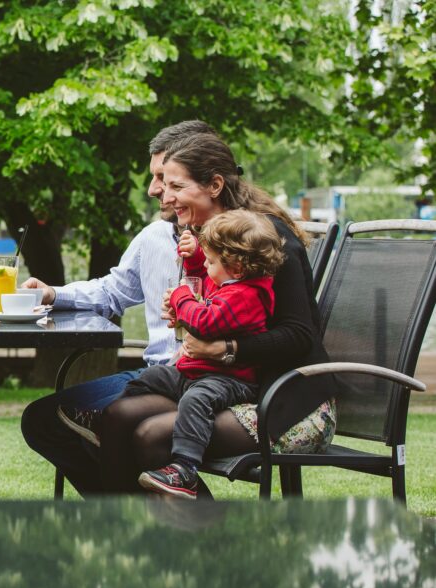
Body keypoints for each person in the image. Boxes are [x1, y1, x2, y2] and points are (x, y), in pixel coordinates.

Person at [98, 132, 337, 494]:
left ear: (214, 186)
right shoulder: (212, 244)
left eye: (176, 185)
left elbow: (299, 335)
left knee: (151, 435)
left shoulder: (264, 242)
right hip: (229, 386)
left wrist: (226, 349)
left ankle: (206, 528)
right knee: (117, 416)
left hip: (289, 403)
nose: (164, 195)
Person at [19, 120, 217, 496]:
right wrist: (53, 294)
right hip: (155, 374)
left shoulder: (230, 243)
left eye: (165, 178)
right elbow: (112, 292)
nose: (154, 189)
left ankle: (179, 518)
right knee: (42, 420)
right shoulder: (153, 237)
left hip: (198, 380)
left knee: (102, 424)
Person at [123, 210, 285, 499]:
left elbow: (204, 322)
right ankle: (114, 419)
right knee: (151, 377)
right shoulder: (230, 283)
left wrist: (180, 296)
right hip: (199, 372)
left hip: (229, 379)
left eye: (211, 261)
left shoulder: (246, 296)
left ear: (236, 267)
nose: (206, 267)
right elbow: (205, 283)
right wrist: (196, 257)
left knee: (196, 400)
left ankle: (185, 468)